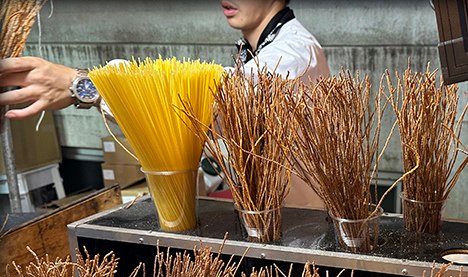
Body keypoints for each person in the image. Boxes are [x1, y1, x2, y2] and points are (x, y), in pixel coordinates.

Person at [0, 0, 328, 206]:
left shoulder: (296, 54)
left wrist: (86, 85)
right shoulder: (255, 50)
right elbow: (234, 131)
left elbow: (207, 100)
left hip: (299, 231)